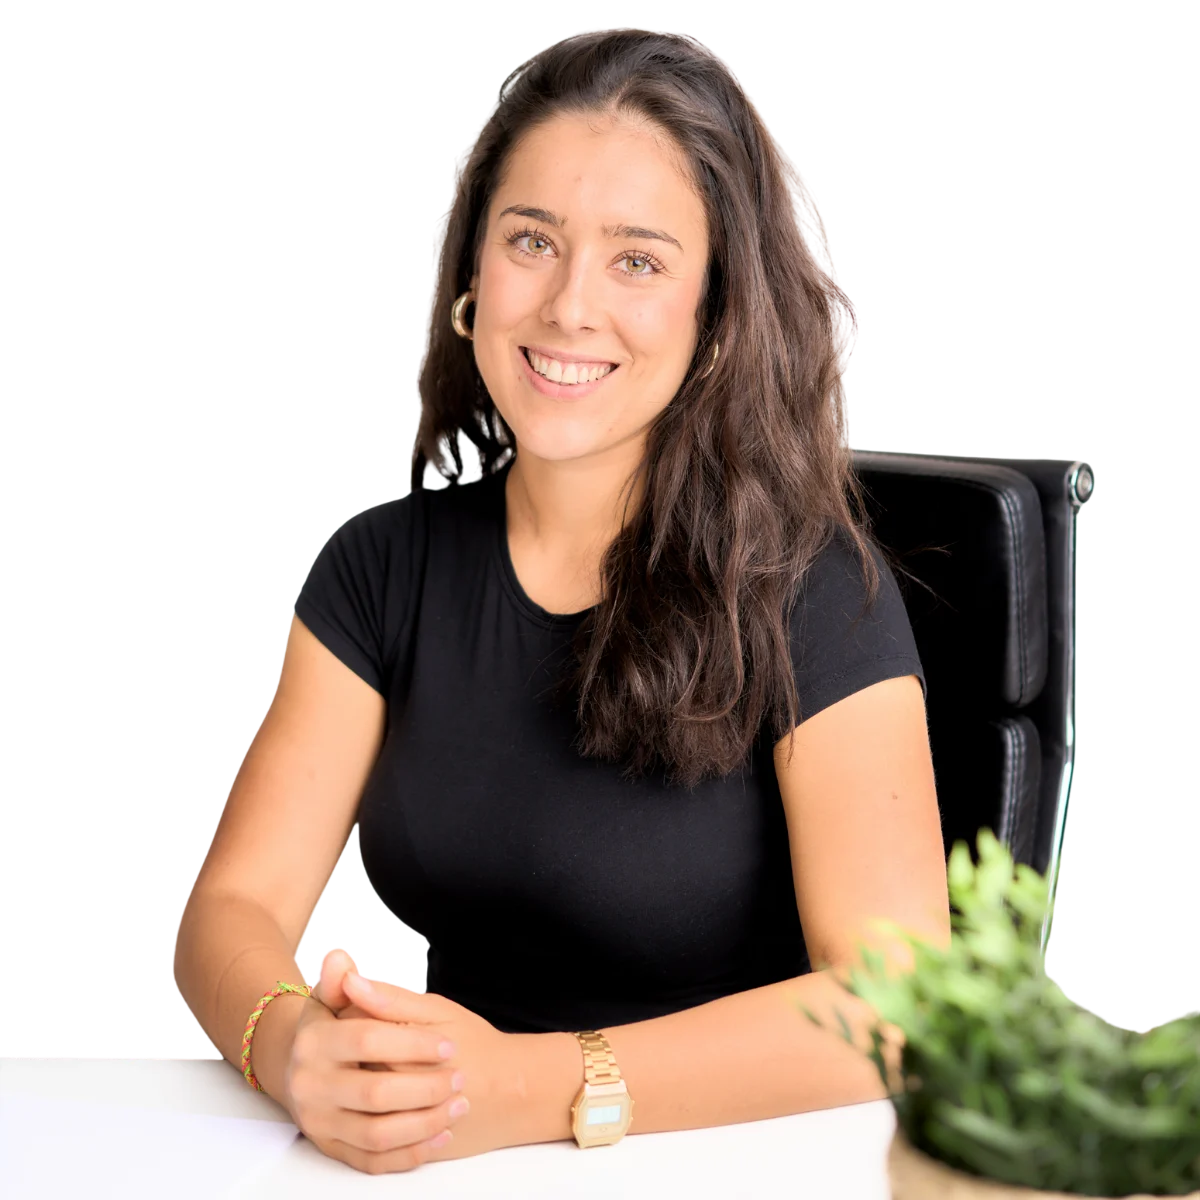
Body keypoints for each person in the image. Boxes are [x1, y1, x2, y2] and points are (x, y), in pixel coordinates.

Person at [174, 26, 949, 1177]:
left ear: (718, 316)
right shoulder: (381, 569)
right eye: (532, 241)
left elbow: (896, 1005)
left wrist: (530, 1089)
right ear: (472, 275)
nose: (569, 306)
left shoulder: (817, 590)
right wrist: (293, 1050)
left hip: (740, 1167)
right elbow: (233, 907)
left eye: (638, 261)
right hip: (461, 1157)